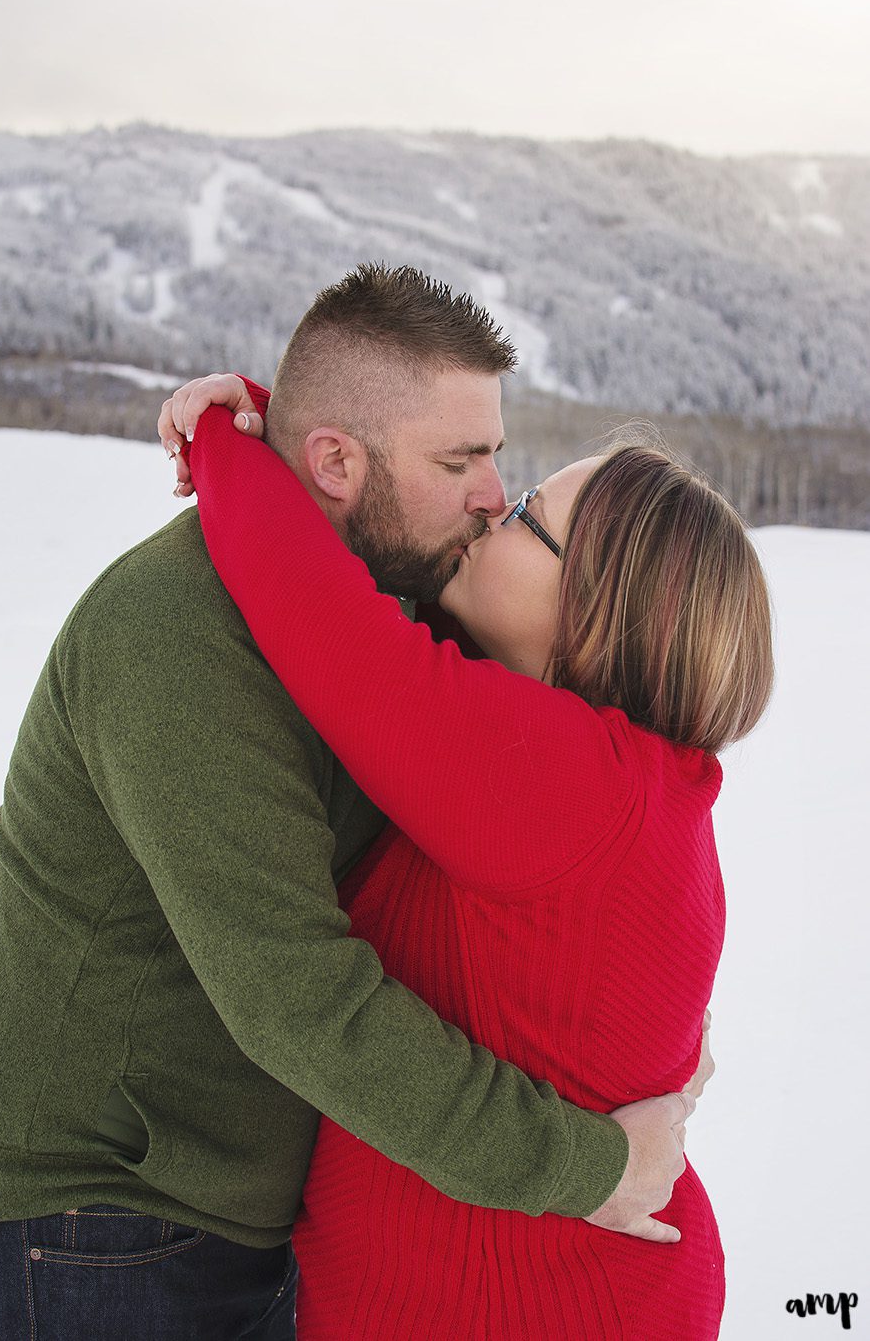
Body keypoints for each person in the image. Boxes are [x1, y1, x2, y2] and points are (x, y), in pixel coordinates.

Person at [0, 266, 697, 1341]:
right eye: (462, 460)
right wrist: (587, 1167)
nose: (495, 493)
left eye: (497, 455)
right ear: (337, 462)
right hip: (93, 1223)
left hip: (244, 1219)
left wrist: (649, 1045)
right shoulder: (172, 640)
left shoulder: (391, 606)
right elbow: (301, 999)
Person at [170, 370, 773, 1338]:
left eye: (529, 513)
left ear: (592, 613)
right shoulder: (639, 790)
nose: (493, 511)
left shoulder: (564, 783)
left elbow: (321, 622)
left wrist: (233, 436)